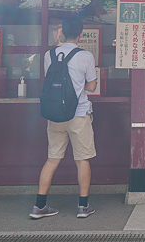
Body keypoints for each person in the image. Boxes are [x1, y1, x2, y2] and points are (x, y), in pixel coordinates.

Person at [31, 18, 98, 219]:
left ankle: (39, 206)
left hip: (55, 115)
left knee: (52, 159)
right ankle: (83, 206)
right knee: (82, 159)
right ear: (81, 34)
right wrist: (79, 87)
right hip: (78, 114)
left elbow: (51, 82)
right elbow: (92, 87)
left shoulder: (49, 55)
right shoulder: (85, 56)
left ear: (62, 33)